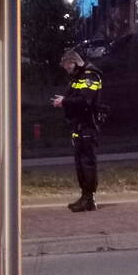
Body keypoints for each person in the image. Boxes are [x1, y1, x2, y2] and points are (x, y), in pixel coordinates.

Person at [52, 49, 104, 212]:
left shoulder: (90, 76)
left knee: (87, 163)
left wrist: (65, 102)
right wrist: (65, 101)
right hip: (79, 125)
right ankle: (84, 197)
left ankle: (89, 199)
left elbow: (85, 100)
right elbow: (75, 97)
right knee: (80, 164)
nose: (66, 69)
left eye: (68, 66)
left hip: (88, 125)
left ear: (75, 62)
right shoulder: (78, 77)